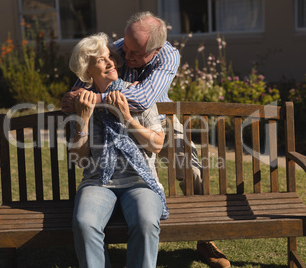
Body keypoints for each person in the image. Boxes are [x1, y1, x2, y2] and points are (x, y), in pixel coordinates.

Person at [62, 11, 230, 268]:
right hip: (113, 123)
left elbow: (143, 99)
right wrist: (76, 99)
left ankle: (204, 239)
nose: (123, 57)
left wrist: (96, 101)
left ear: (155, 50)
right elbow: (86, 71)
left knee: (190, 169)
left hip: (151, 113)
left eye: (134, 54)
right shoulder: (120, 47)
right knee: (91, 211)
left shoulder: (168, 56)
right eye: (124, 49)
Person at [69, 32, 168, 268]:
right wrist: (83, 120)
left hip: (139, 180)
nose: (111, 62)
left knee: (146, 222)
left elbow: (157, 144)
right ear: (87, 71)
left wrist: (127, 118)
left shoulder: (137, 95)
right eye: (101, 60)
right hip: (98, 181)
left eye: (110, 56)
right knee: (85, 222)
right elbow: (81, 161)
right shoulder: (83, 103)